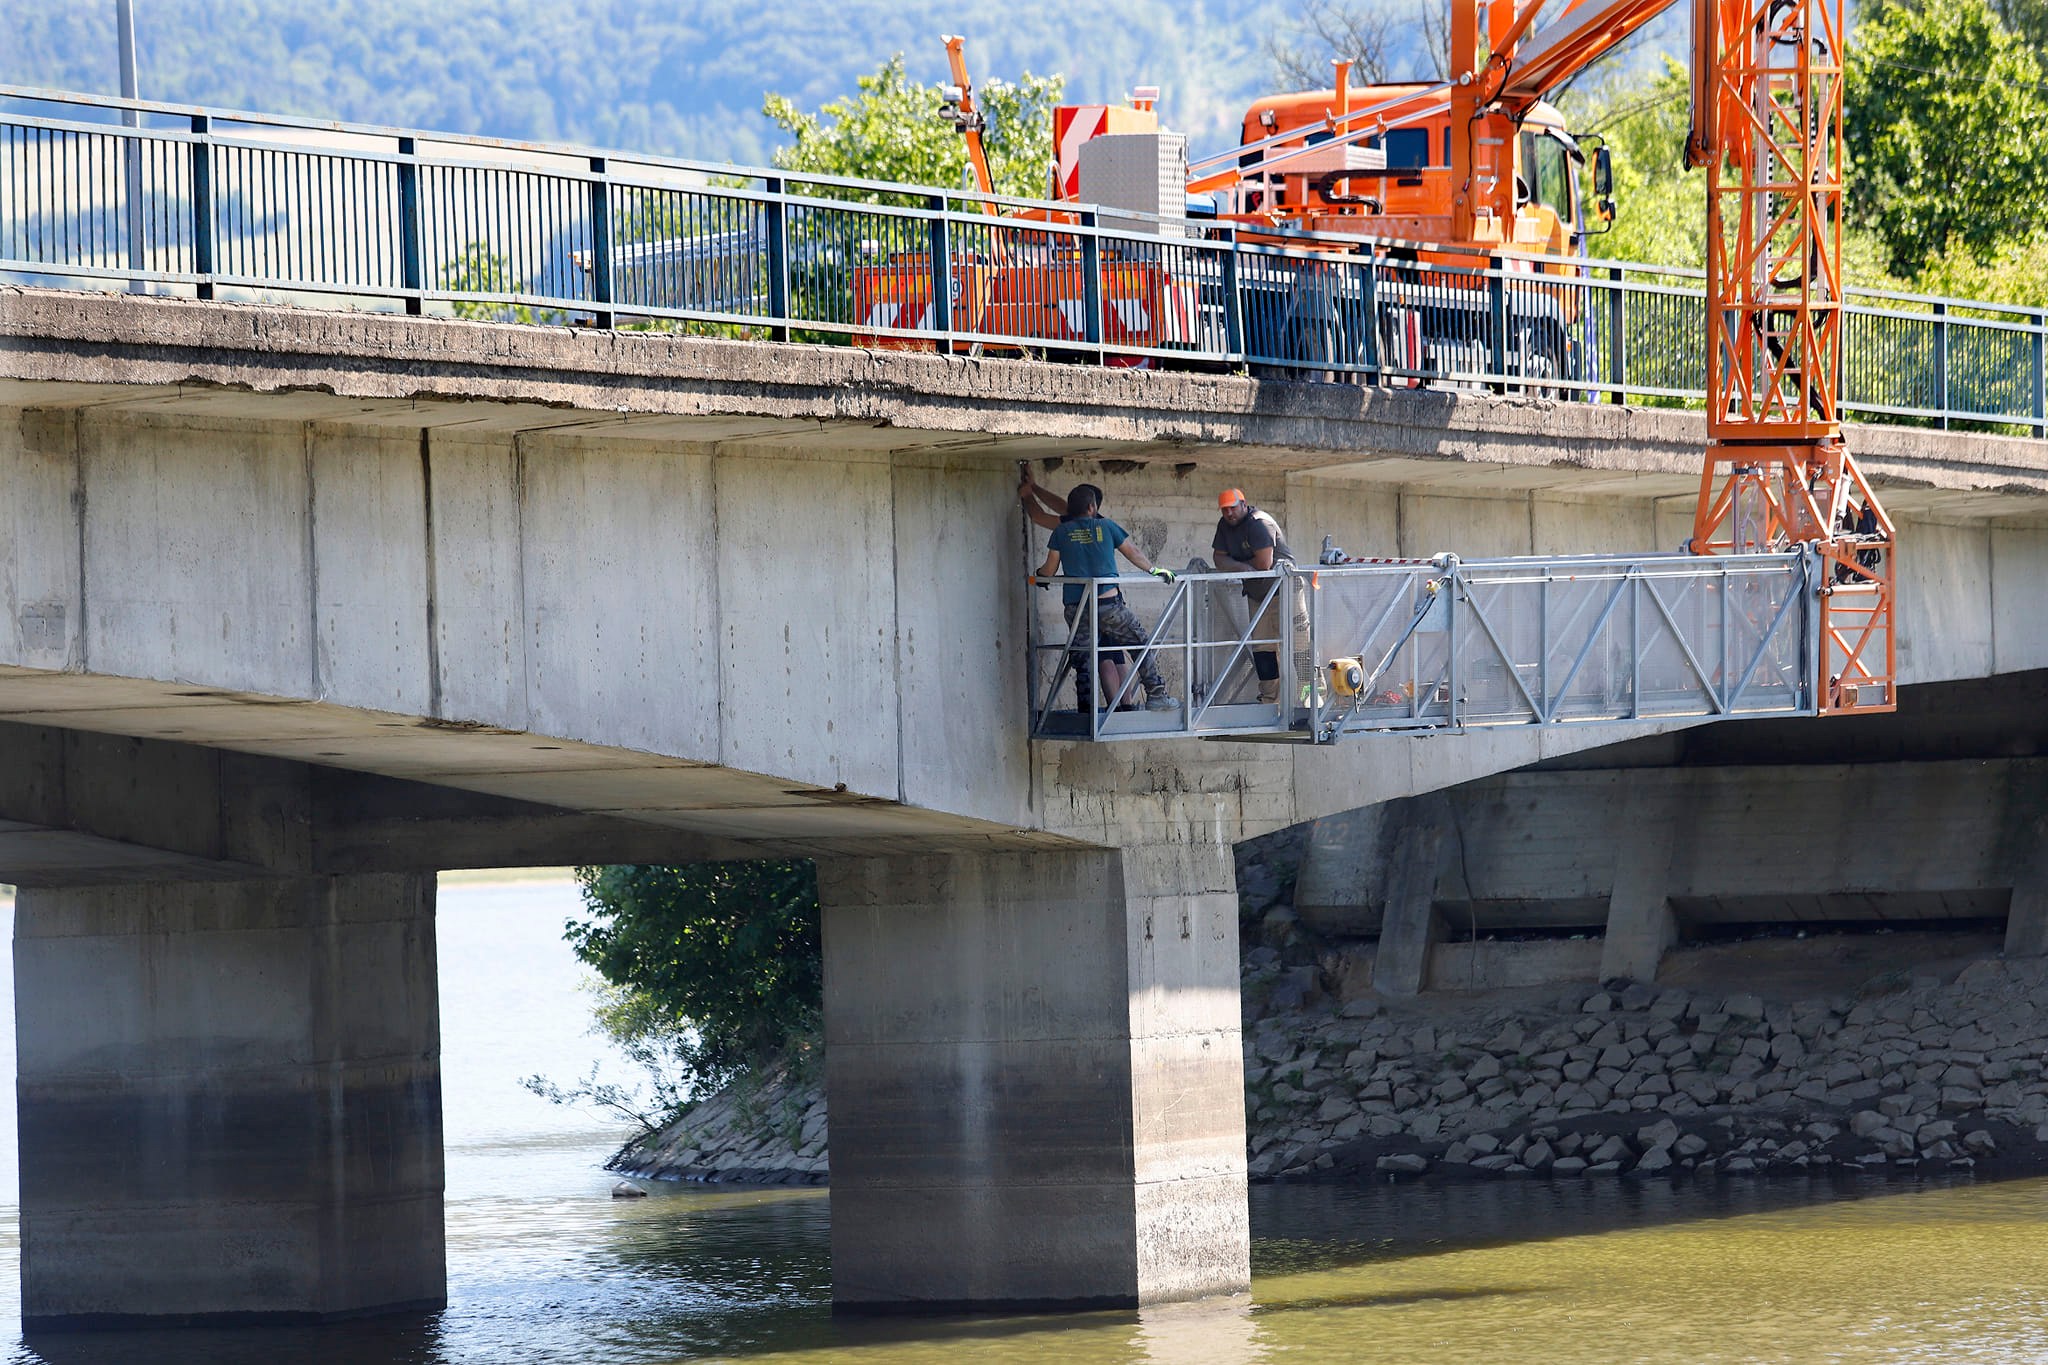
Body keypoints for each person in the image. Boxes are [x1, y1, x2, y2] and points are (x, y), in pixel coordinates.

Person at [1035, 484, 1181, 714]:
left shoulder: (1061, 532)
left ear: (1070, 509)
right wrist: (1154, 570)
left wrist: (1040, 576)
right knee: (1140, 643)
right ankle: (1156, 695)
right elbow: (1133, 552)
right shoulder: (1106, 526)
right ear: (1092, 507)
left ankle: (1086, 708)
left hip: (1076, 606)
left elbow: (1050, 568)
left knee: (1083, 656)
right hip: (1108, 605)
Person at [1213, 487, 1313, 705]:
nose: (1228, 513)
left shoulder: (1259, 523)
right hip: (1257, 592)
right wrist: (1242, 568)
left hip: (1285, 589)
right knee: (1262, 648)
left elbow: (1263, 564)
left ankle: (1312, 696)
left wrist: (1235, 566)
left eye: (1232, 508)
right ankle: (1270, 699)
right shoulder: (1225, 526)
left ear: (1243, 504)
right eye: (1224, 510)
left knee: (1299, 644)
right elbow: (1218, 558)